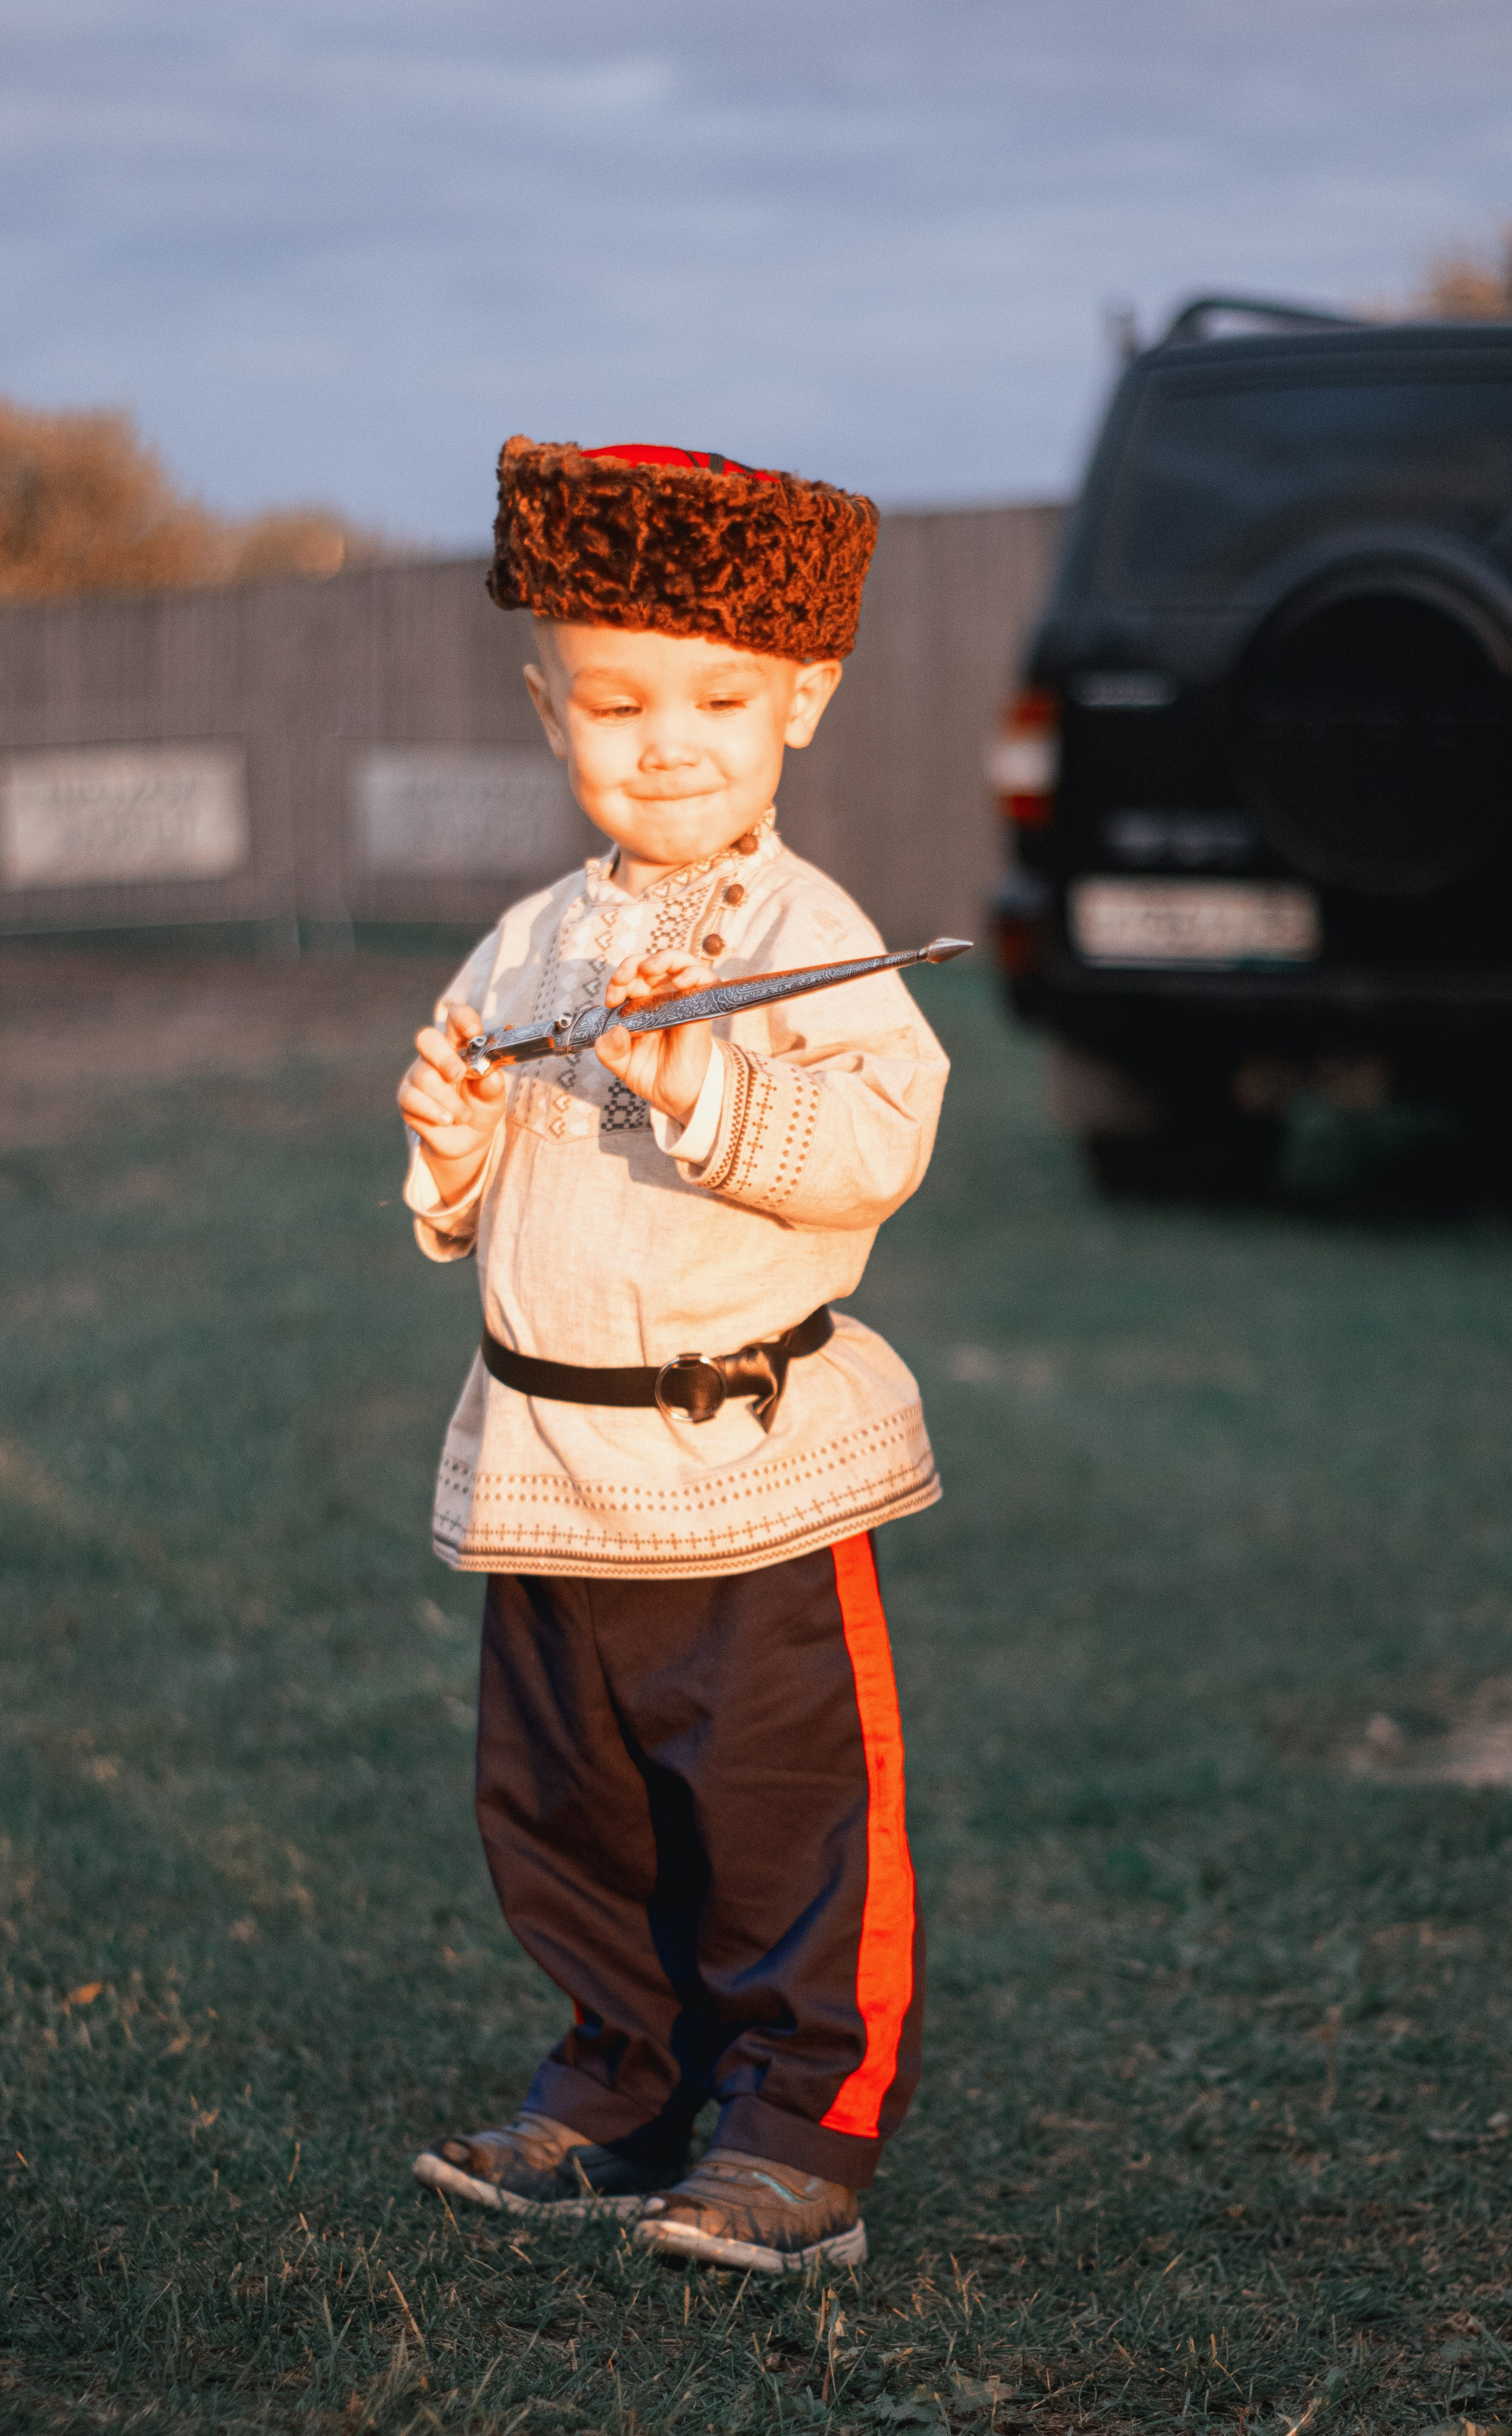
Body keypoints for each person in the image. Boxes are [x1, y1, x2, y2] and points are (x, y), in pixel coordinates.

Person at [396, 437, 950, 2274]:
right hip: (552, 1476)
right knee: (569, 1811)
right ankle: (622, 2085)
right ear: (547, 702)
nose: (666, 740)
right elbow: (479, 1196)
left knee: (782, 1818)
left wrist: (710, 1083)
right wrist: (453, 1131)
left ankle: (801, 2129)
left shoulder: (812, 936)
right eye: (615, 700)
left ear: (803, 695)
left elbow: (883, 1134)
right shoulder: (529, 937)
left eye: (718, 697)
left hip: (743, 1472)